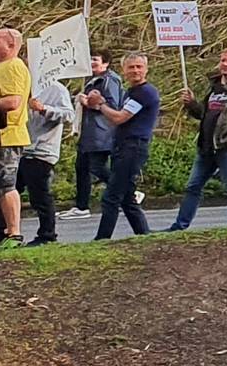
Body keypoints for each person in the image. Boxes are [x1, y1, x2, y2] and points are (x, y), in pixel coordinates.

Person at [164, 46, 227, 229]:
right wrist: (192, 104)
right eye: (223, 60)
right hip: (207, 146)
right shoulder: (215, 87)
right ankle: (179, 226)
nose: (225, 64)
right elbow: (204, 114)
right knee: (193, 186)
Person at [85, 55, 157, 240]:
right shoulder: (131, 92)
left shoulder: (145, 92)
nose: (135, 71)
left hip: (134, 147)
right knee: (127, 198)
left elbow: (119, 117)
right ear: (124, 70)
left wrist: (101, 104)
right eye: (131, 67)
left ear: (146, 69)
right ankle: (144, 235)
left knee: (112, 196)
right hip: (123, 146)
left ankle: (102, 239)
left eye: (139, 66)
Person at [14, 70, 70, 245]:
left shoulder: (56, 89)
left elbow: (68, 115)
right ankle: (5, 232)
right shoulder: (20, 86)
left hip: (41, 150)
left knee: (39, 195)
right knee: (8, 191)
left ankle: (47, 235)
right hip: (19, 148)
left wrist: (44, 109)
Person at [72, 52, 120, 216]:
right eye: (90, 58)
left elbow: (113, 105)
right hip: (88, 132)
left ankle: (128, 191)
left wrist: (90, 104)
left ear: (106, 63)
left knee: (97, 167)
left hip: (101, 132)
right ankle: (81, 206)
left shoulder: (109, 80)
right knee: (81, 167)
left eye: (95, 59)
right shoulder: (91, 80)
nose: (91, 62)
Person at [0, 27, 27, 245]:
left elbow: (13, 101)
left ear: (11, 45)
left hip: (8, 135)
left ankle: (14, 232)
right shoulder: (1, 67)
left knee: (6, 184)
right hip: (0, 135)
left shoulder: (13, 66)